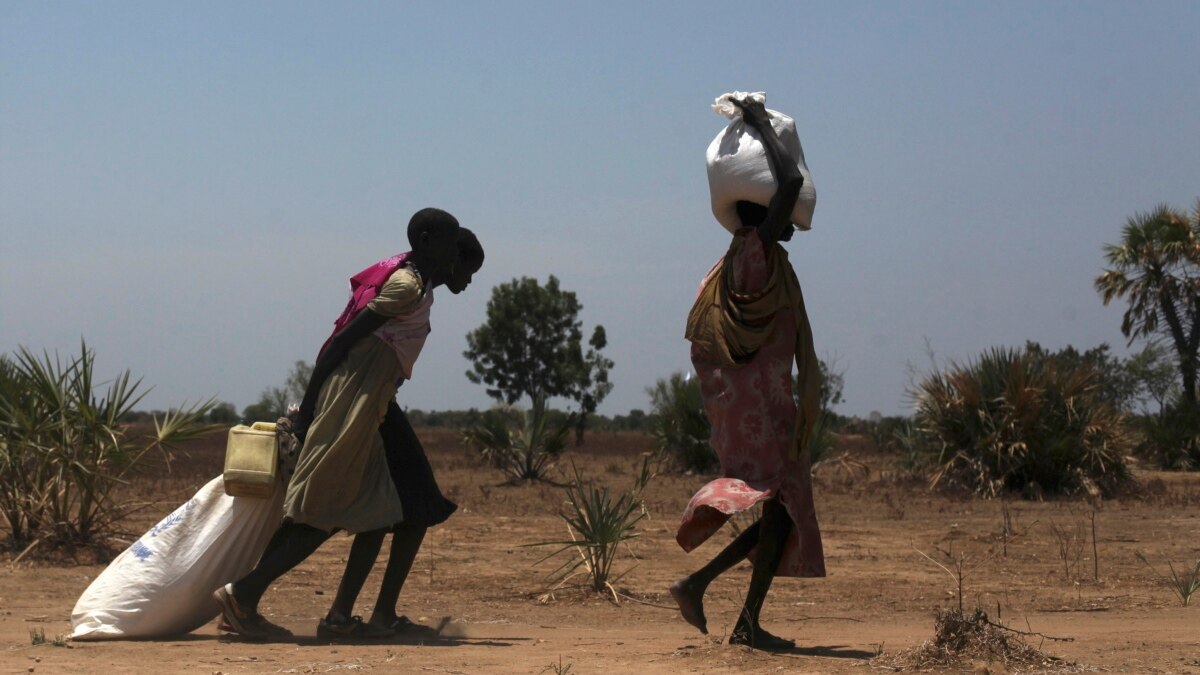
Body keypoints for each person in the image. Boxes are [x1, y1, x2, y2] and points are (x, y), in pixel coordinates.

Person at [214, 208, 461, 641]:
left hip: (370, 408)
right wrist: (306, 413)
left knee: (373, 512)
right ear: (425, 240)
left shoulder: (412, 284)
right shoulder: (405, 284)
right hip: (352, 409)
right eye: (448, 241)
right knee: (320, 512)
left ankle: (338, 617)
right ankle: (242, 596)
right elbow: (340, 342)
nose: (453, 253)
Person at [670, 96, 825, 651]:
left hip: (754, 403)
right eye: (784, 217)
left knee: (784, 506)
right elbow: (785, 188)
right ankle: (733, 612)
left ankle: (708, 591)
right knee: (781, 498)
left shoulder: (747, 256)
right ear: (766, 214)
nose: (792, 225)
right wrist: (760, 126)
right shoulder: (754, 249)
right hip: (759, 408)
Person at [362, 229, 483, 634]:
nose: (468, 281)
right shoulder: (409, 287)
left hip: (377, 402)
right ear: (448, 257)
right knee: (416, 504)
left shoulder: (414, 287)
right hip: (371, 404)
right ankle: (372, 615)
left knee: (402, 507)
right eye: (467, 269)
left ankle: (357, 615)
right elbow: (350, 338)